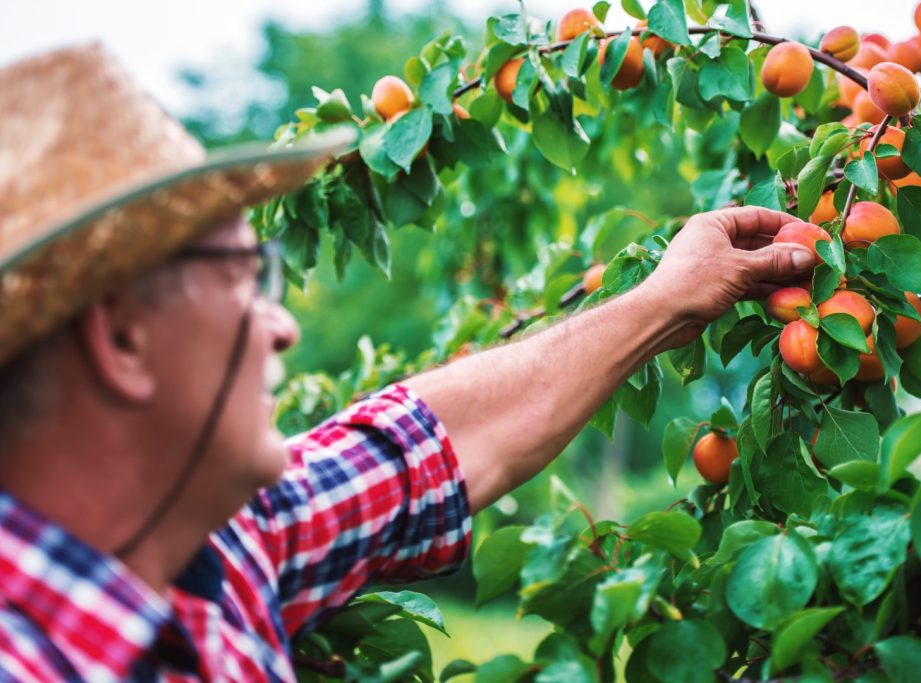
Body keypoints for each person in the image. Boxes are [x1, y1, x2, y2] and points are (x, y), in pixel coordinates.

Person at [0, 43, 815, 681]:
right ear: (123, 339)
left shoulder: (210, 554)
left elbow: (423, 448)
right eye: (246, 279)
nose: (281, 327)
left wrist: (664, 299)